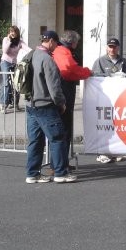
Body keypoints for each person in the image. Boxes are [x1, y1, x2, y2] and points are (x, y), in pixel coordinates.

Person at [25, 30, 76, 184]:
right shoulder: (47, 59)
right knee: (58, 138)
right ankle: (60, 173)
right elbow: (54, 87)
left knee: (35, 141)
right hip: (45, 105)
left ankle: (32, 174)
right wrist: (61, 103)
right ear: (52, 41)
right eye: (56, 44)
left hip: (30, 104)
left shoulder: (30, 55)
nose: (56, 47)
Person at [52, 30, 92, 171]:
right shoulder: (63, 52)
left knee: (61, 130)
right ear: (72, 42)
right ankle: (59, 165)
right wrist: (87, 72)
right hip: (64, 94)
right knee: (64, 130)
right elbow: (69, 71)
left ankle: (60, 163)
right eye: (77, 42)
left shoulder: (60, 50)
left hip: (63, 92)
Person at [92, 37, 126, 164]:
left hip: (119, 99)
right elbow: (95, 79)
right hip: (104, 99)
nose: (112, 49)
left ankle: (116, 151)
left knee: (118, 126)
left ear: (118, 48)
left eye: (114, 47)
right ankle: (102, 152)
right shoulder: (100, 61)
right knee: (104, 126)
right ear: (106, 47)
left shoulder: (124, 61)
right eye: (110, 46)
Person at [0, 25, 30, 112]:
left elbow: (28, 49)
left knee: (17, 83)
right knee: (6, 83)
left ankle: (15, 104)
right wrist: (9, 40)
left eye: (14, 31)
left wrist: (35, 52)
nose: (12, 33)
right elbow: (5, 51)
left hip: (14, 63)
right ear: (9, 33)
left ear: (17, 33)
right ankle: (3, 104)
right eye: (11, 31)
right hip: (5, 62)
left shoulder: (20, 42)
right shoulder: (6, 39)